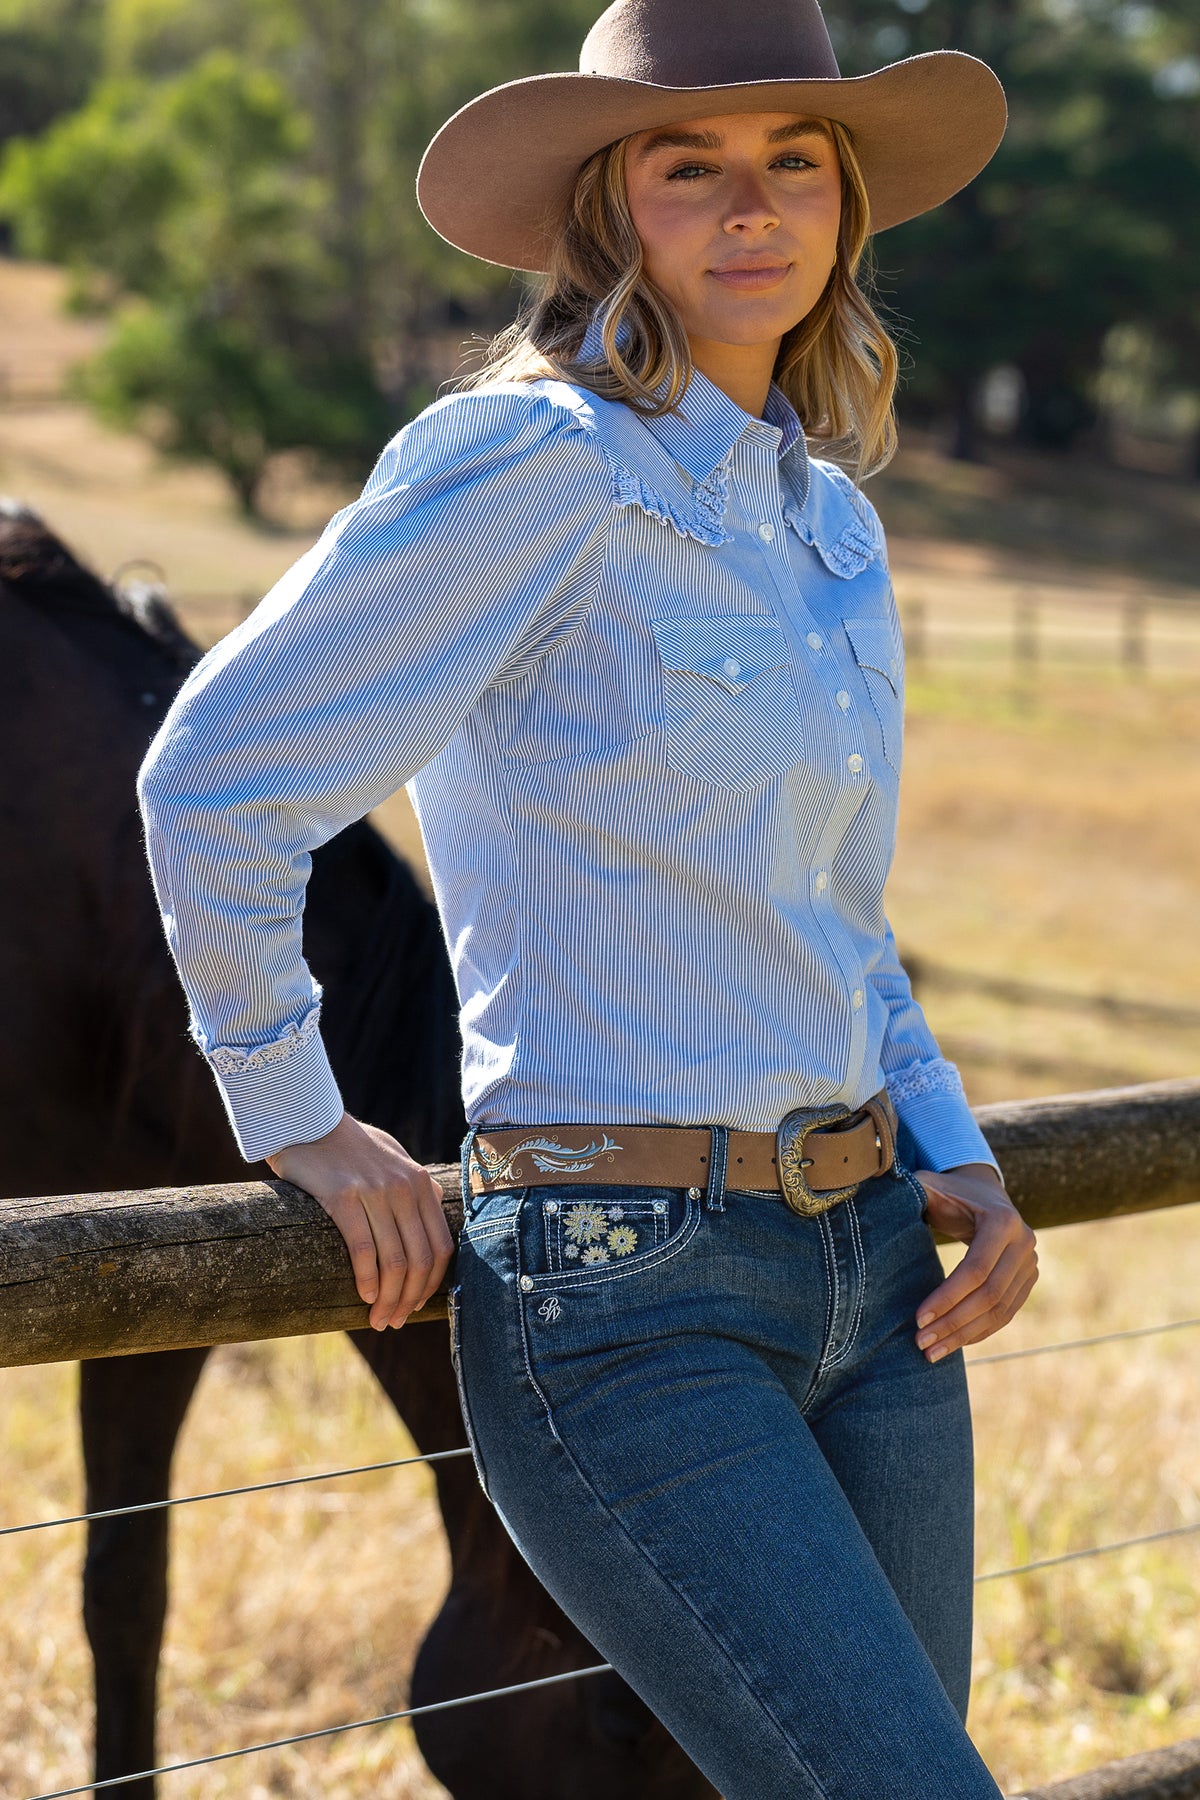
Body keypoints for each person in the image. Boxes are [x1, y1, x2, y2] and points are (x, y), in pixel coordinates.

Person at [138, 0, 1040, 1791]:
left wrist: (958, 1145)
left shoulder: (827, 520)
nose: (752, 205)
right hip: (623, 1294)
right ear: (607, 211)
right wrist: (296, 1113)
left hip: (877, 1274)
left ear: (847, 204)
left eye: (796, 161)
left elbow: (831, 913)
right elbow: (215, 778)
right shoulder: (532, 464)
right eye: (689, 167)